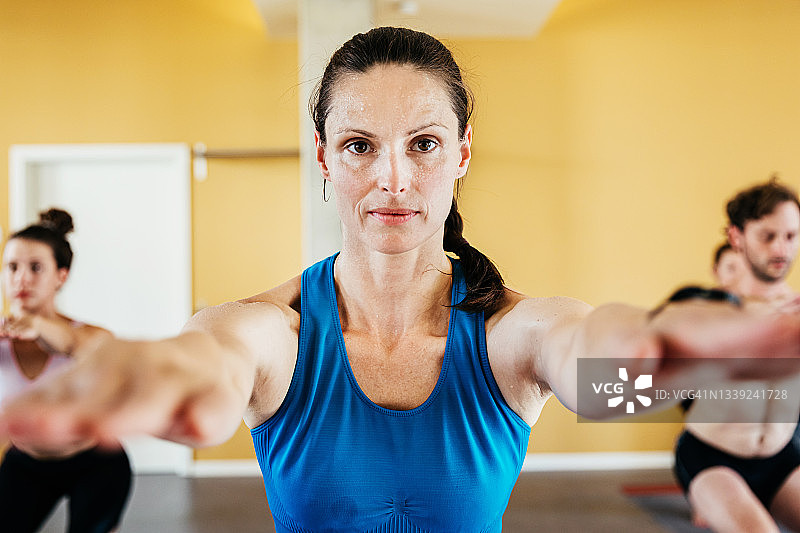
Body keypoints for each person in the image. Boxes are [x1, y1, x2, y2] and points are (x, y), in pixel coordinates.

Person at [1, 28, 800, 532]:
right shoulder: (268, 330)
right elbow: (206, 367)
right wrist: (142, 384)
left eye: (422, 143)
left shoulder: (511, 333)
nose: (393, 179)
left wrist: (696, 362)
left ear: (462, 152)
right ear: (322, 156)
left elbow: (597, 365)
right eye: (358, 145)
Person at [675, 179, 800, 533]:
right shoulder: (703, 307)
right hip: (712, 458)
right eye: (768, 236)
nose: (781, 249)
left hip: (783, 456)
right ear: (737, 237)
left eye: (791, 236)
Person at [0, 209, 132, 533]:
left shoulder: (90, 336)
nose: (21, 278)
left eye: (35, 268)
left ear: (61, 275)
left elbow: (85, 347)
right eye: (12, 267)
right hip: (25, 464)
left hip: (96, 464)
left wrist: (38, 325)